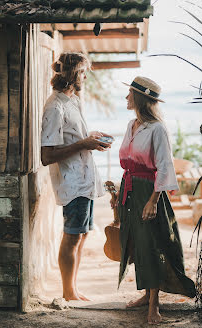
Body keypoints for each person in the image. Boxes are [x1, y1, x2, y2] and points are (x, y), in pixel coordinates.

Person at [111, 76, 196, 324]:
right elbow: (128, 165)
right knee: (137, 243)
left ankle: (154, 306)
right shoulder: (131, 125)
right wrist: (118, 193)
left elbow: (164, 166)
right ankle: (147, 296)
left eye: (129, 93)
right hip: (130, 190)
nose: (126, 97)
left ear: (139, 98)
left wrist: (153, 200)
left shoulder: (157, 128)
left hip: (149, 192)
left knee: (153, 244)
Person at [41, 52, 113, 301]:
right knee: (72, 236)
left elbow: (75, 138)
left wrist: (90, 137)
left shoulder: (73, 101)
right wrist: (85, 143)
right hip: (71, 181)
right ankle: (67, 291)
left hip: (85, 179)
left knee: (82, 236)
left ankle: (72, 288)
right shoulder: (55, 106)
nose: (85, 77)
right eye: (83, 72)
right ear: (72, 74)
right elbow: (47, 156)